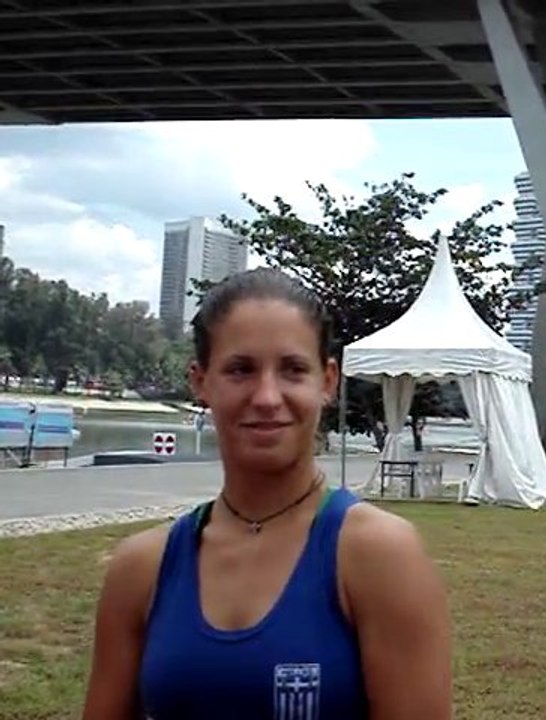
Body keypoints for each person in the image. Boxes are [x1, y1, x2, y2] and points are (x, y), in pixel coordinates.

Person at [82, 268, 452, 720]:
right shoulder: (142, 567)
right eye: (241, 370)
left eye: (293, 370)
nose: (267, 397)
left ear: (328, 382)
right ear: (201, 382)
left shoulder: (377, 555)